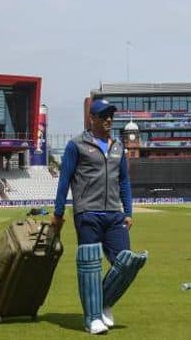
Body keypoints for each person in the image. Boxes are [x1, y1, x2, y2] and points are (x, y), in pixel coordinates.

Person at [51, 99, 147, 335]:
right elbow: (64, 181)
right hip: (88, 213)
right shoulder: (76, 145)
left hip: (115, 214)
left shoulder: (118, 147)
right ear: (91, 119)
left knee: (127, 262)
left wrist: (128, 212)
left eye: (111, 115)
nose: (109, 119)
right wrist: (58, 213)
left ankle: (103, 303)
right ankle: (92, 318)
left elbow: (123, 181)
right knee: (90, 265)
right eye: (103, 115)